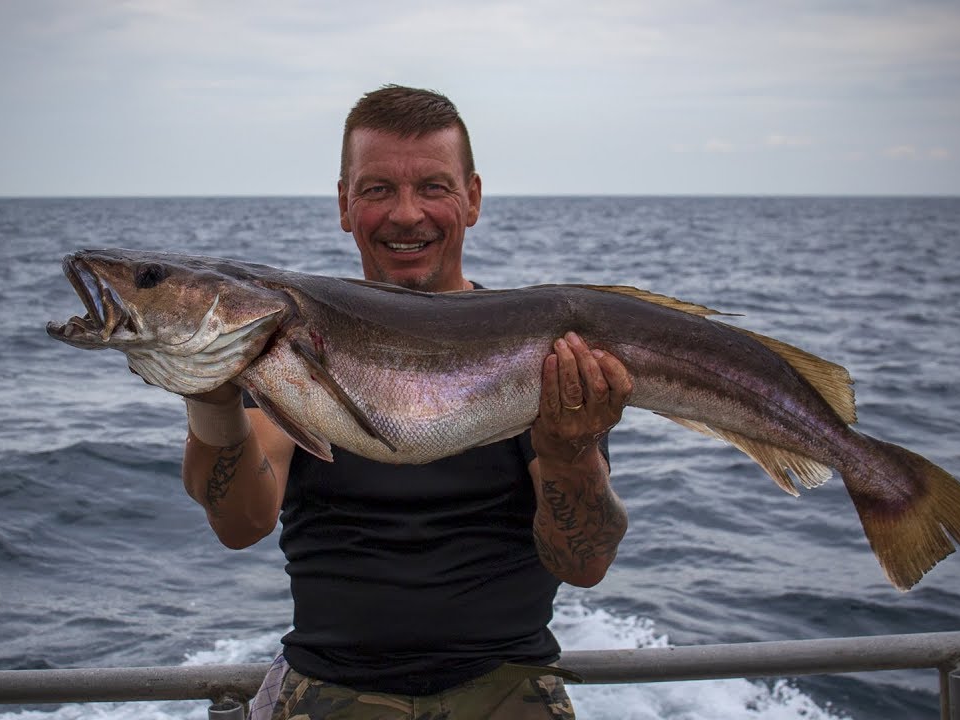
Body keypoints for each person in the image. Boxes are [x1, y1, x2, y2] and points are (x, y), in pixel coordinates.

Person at [179, 85, 632, 719]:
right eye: (377, 190)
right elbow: (239, 525)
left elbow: (584, 565)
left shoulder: (545, 351)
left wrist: (569, 449)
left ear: (471, 199)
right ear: (344, 204)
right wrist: (211, 402)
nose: (406, 214)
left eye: (433, 187)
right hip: (328, 687)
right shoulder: (287, 342)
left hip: (508, 684)